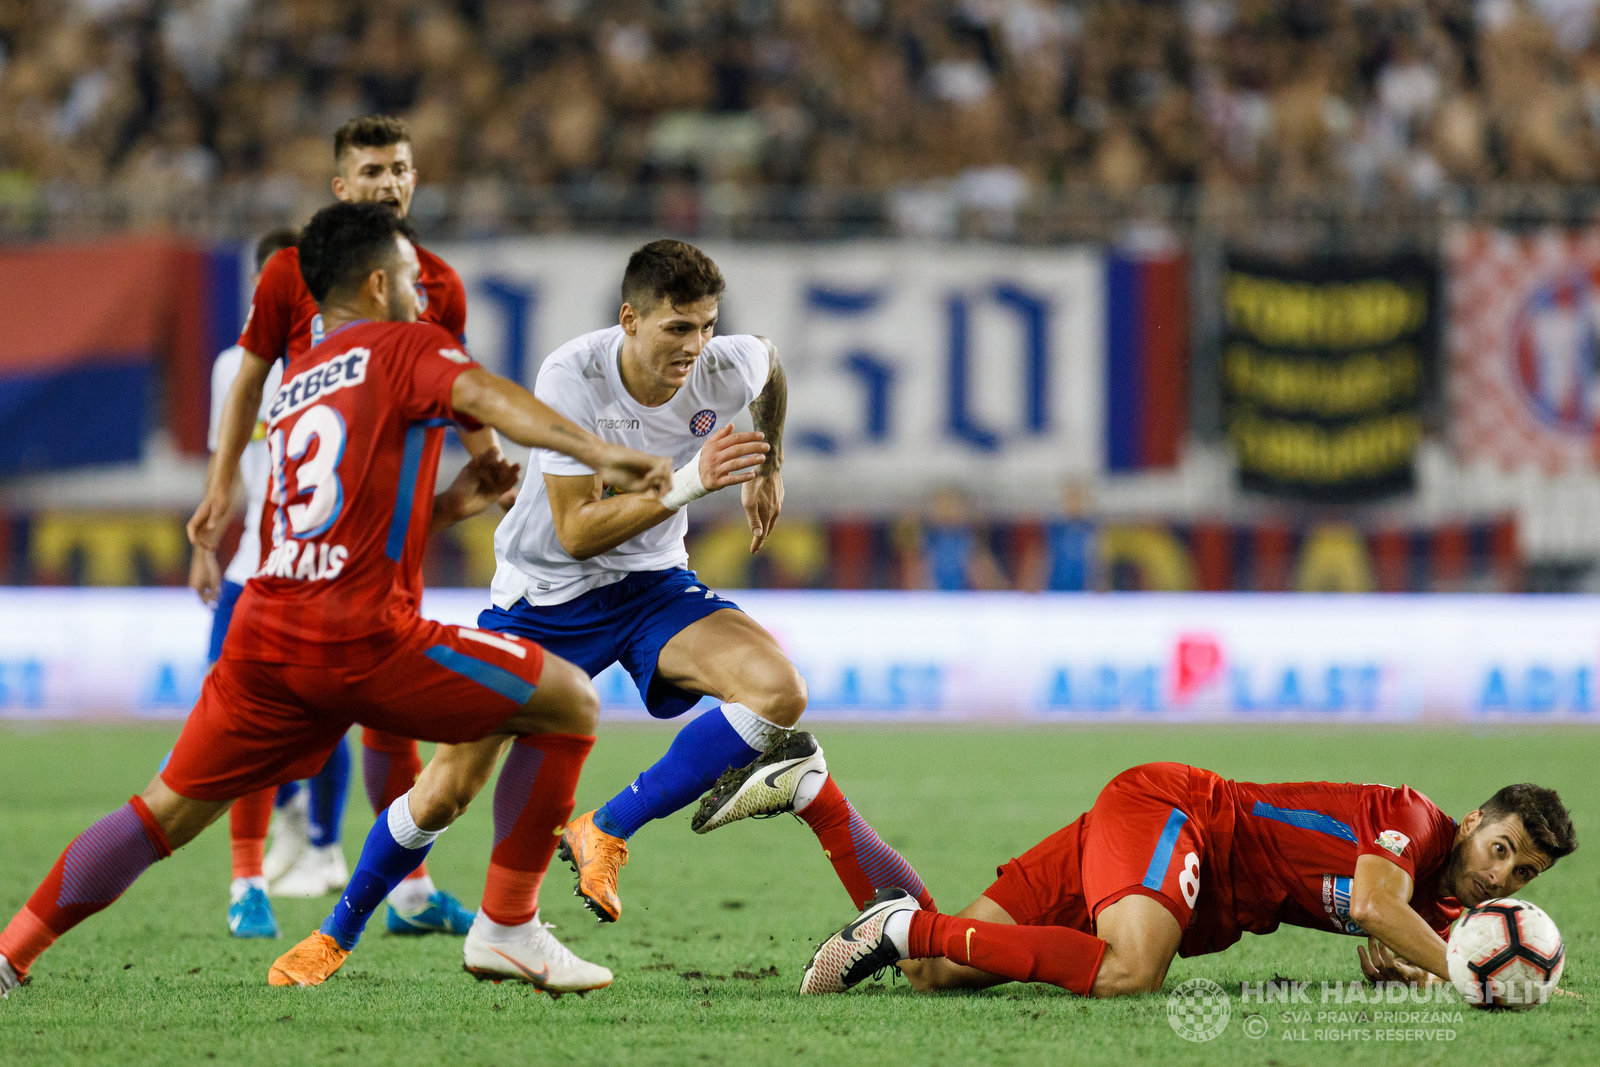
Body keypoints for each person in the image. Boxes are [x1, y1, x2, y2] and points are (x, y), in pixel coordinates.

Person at [0, 202, 674, 1000]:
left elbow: (338, 524)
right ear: (380, 283)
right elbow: (488, 395)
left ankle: (11, 951)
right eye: (416, 281)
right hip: (358, 634)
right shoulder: (404, 343)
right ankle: (510, 926)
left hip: (265, 636)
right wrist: (601, 451)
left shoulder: (300, 385)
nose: (427, 295)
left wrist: (455, 505)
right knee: (566, 696)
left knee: (163, 814)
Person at [469, 238, 935, 925]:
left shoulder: (725, 365)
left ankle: (606, 826)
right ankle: (412, 907)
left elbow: (770, 362)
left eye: (708, 325)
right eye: (679, 327)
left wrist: (770, 461)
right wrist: (693, 481)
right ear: (630, 320)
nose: (697, 344)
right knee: (458, 775)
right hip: (546, 590)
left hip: (651, 584)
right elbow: (576, 531)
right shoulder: (572, 374)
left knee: (779, 691)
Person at [188, 114, 491, 935]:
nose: (389, 183)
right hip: (295, 545)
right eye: (372, 171)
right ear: (341, 186)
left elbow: (462, 388)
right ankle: (248, 881)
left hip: (387, 544)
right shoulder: (292, 275)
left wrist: (487, 464)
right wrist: (221, 489)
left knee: (391, 726)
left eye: (400, 168)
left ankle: (410, 891)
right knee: (256, 724)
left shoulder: (438, 283)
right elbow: (248, 381)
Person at [798, 763, 1577, 997]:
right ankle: (897, 924)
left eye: (1523, 872)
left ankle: (815, 794)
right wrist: (1459, 969)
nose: (1500, 875)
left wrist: (1414, 963)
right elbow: (1375, 899)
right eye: (1501, 847)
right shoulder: (1410, 817)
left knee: (933, 975)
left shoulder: (1448, 908)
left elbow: (1397, 927)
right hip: (1180, 817)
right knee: (1131, 972)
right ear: (1472, 821)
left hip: (1167, 863)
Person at [193, 227, 353, 942]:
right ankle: (264, 861)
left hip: (322, 570)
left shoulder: (346, 358)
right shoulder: (236, 365)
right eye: (267, 285)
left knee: (330, 708)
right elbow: (227, 465)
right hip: (249, 568)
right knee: (232, 720)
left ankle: (321, 843)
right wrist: (207, 542)